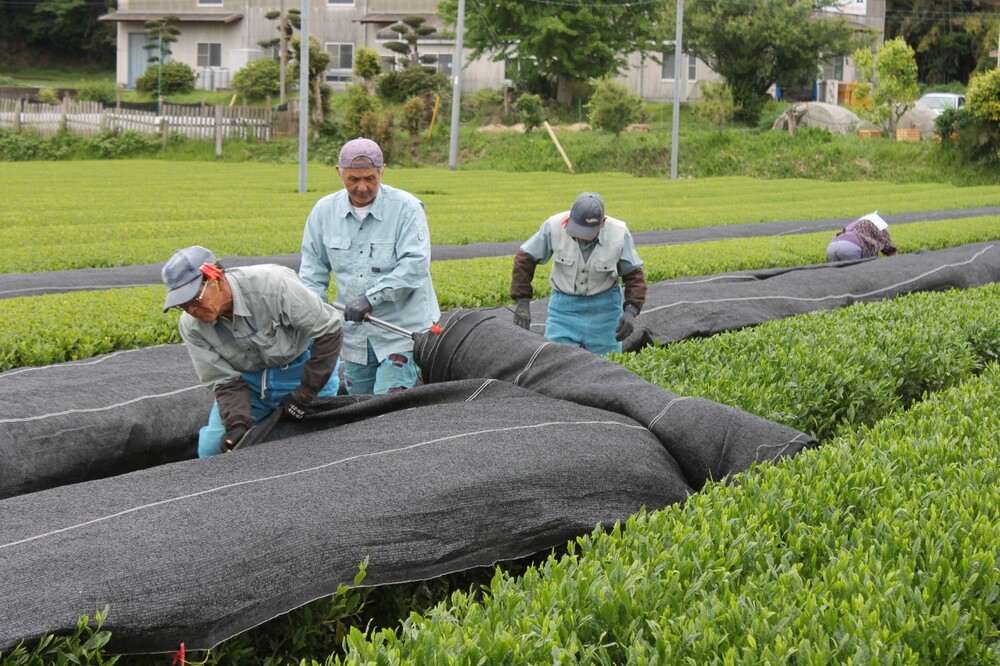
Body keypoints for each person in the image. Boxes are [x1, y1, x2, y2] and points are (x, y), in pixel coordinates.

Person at [162, 245, 343, 457]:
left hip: (302, 368)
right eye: (183, 305)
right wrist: (238, 423)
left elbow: (330, 331)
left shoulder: (274, 287)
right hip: (252, 383)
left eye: (195, 299)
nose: (192, 310)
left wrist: (304, 394)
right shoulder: (191, 326)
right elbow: (223, 380)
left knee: (317, 445)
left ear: (216, 279)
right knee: (212, 449)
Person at [299, 137, 440, 395]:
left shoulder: (406, 208)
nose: (362, 187)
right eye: (353, 179)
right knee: (357, 409)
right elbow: (312, 271)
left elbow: (415, 265)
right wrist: (313, 317)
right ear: (339, 172)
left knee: (387, 409)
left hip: (401, 334)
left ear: (381, 170)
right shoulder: (323, 212)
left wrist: (370, 298)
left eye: (370, 178)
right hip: (356, 336)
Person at [510, 191, 647, 355]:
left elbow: (634, 275)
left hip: (605, 311)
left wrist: (631, 311)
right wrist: (523, 301)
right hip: (563, 310)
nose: (581, 237)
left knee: (607, 369)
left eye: (587, 233)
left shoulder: (619, 234)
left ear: (602, 223)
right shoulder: (554, 226)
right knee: (555, 363)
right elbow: (525, 259)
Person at [827, 211, 898, 262]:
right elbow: (889, 249)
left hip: (831, 247)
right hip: (850, 248)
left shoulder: (856, 225)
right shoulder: (877, 224)